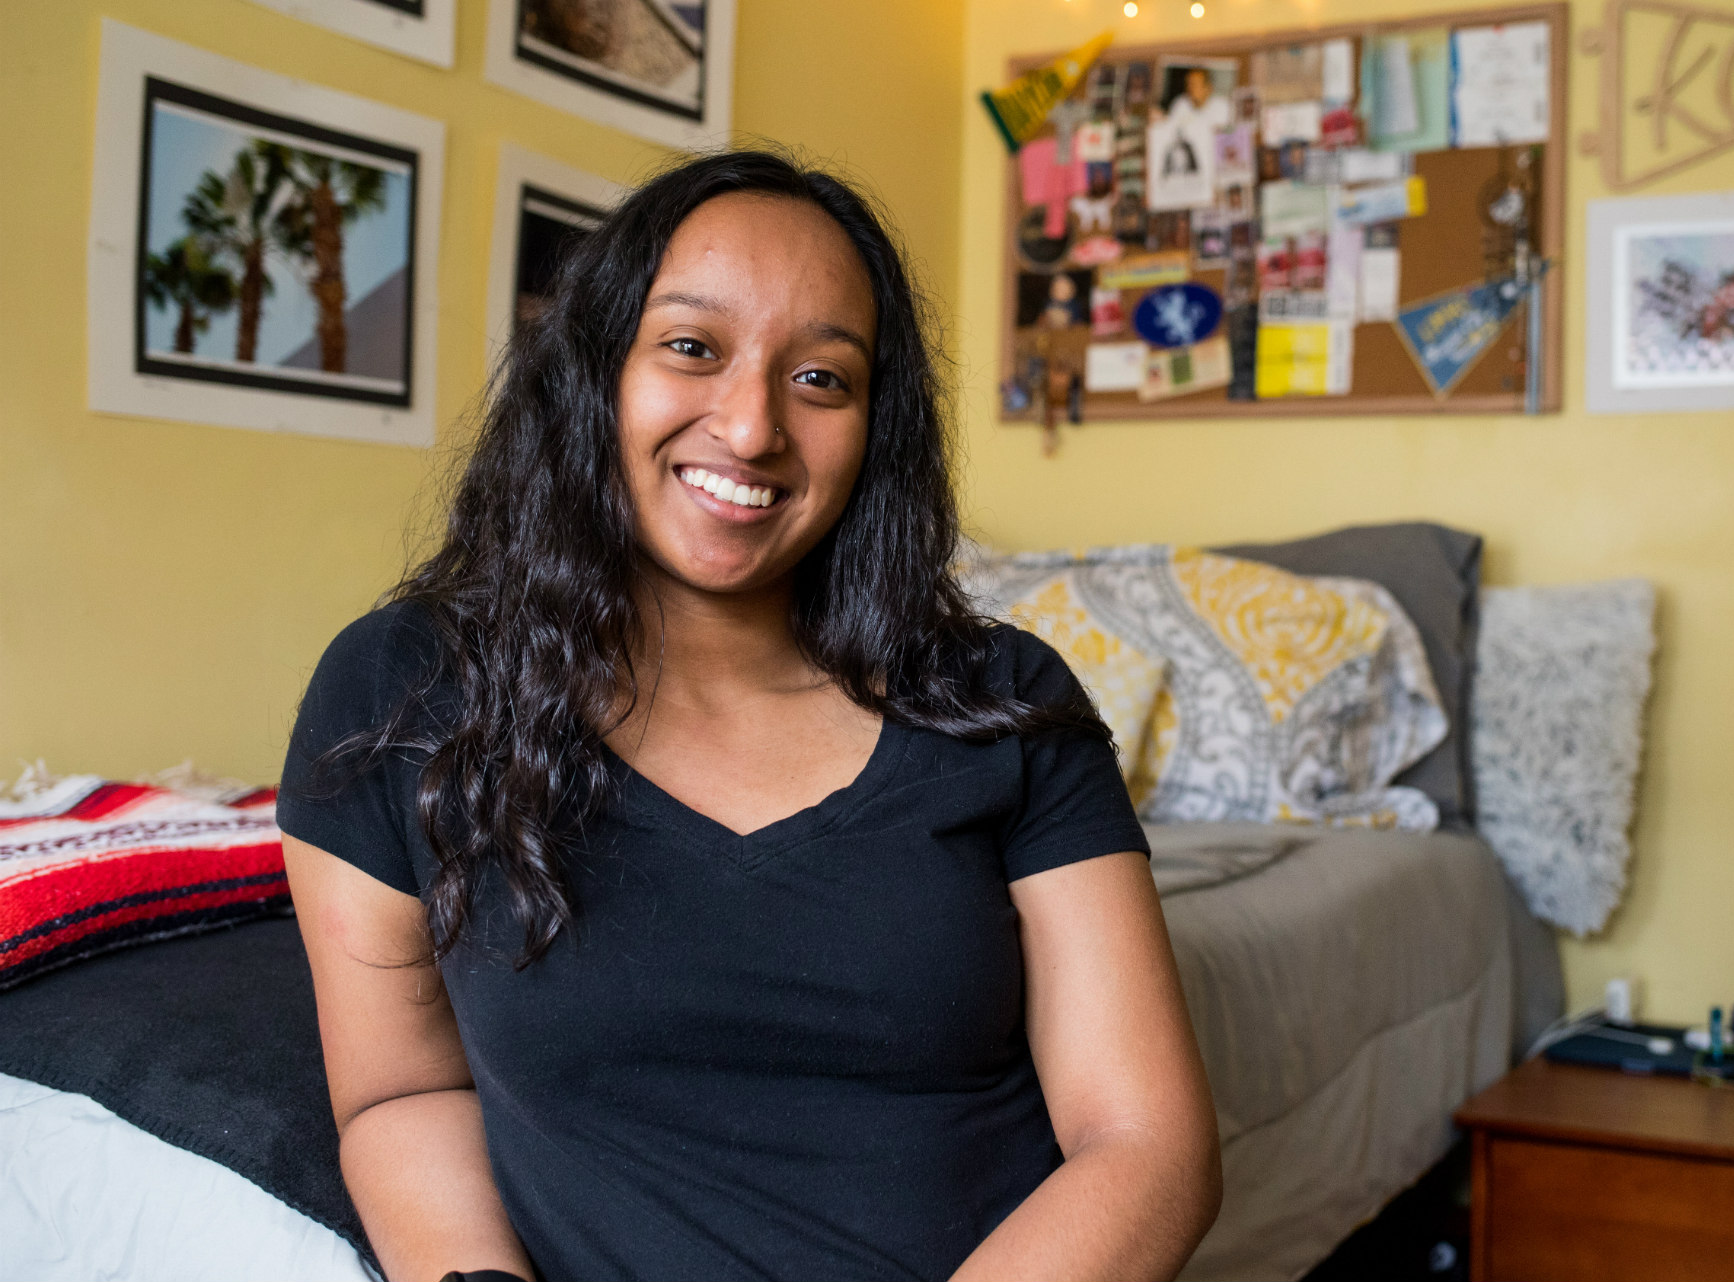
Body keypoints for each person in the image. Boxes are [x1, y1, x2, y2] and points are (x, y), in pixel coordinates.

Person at [279, 149, 1221, 1282]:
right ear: (592, 373)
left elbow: (1148, 1142)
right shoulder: (406, 687)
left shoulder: (1002, 701)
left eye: (821, 379)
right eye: (691, 348)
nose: (751, 426)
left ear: (877, 431)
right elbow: (400, 1088)